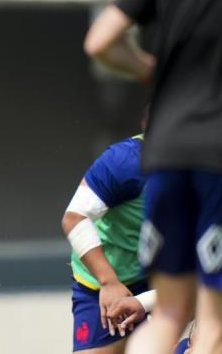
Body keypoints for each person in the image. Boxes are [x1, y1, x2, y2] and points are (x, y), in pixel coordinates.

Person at [84, 0, 222, 353]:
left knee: (168, 313)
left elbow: (100, 41)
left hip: (164, 150)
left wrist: (149, 70)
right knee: (216, 325)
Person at [61, 134, 148, 353]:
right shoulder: (126, 160)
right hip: (105, 282)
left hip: (163, 276)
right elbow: (74, 218)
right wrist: (109, 282)